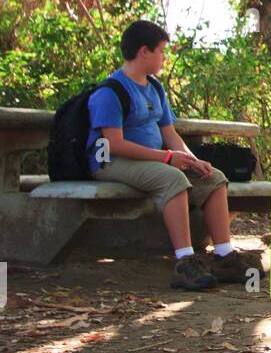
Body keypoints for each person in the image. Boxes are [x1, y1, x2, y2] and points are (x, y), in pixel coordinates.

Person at [87, 19, 253, 290]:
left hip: (153, 160)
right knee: (172, 178)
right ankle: (185, 262)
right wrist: (166, 158)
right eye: (162, 50)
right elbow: (113, 144)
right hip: (112, 162)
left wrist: (192, 159)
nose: (164, 57)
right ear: (144, 52)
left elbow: (169, 133)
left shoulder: (155, 88)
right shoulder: (111, 92)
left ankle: (224, 256)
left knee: (214, 178)